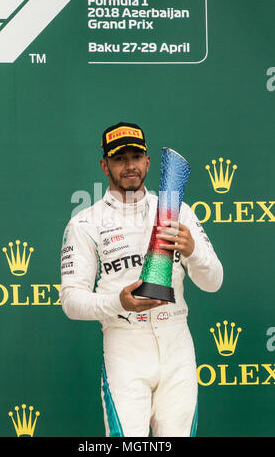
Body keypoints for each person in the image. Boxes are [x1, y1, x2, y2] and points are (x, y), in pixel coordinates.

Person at [59, 122, 223, 437]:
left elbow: (213, 281)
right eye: (120, 158)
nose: (130, 165)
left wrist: (192, 252)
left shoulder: (177, 212)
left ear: (148, 162)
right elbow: (71, 301)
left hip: (177, 346)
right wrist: (117, 301)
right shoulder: (85, 222)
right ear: (104, 165)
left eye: (136, 157)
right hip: (125, 346)